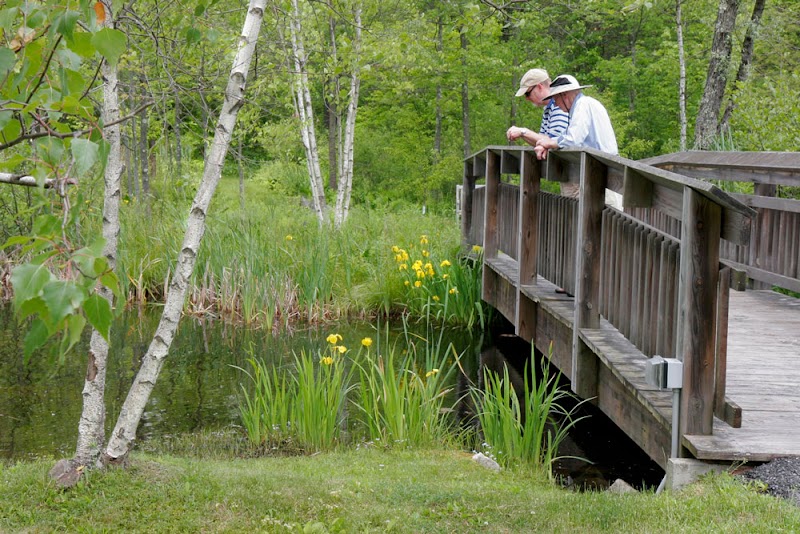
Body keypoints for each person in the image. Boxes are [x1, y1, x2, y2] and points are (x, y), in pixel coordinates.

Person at [533, 74, 618, 161]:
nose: (555, 104)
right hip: (602, 161)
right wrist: (546, 144)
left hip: (603, 163)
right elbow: (567, 137)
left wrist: (551, 144)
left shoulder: (582, 104)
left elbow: (573, 140)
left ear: (564, 95)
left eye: (555, 99)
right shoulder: (584, 104)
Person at [506, 68, 569, 145]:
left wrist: (523, 132)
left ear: (539, 87)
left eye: (527, 93)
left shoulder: (559, 105)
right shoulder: (549, 107)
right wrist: (522, 134)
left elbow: (554, 142)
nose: (526, 98)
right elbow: (542, 142)